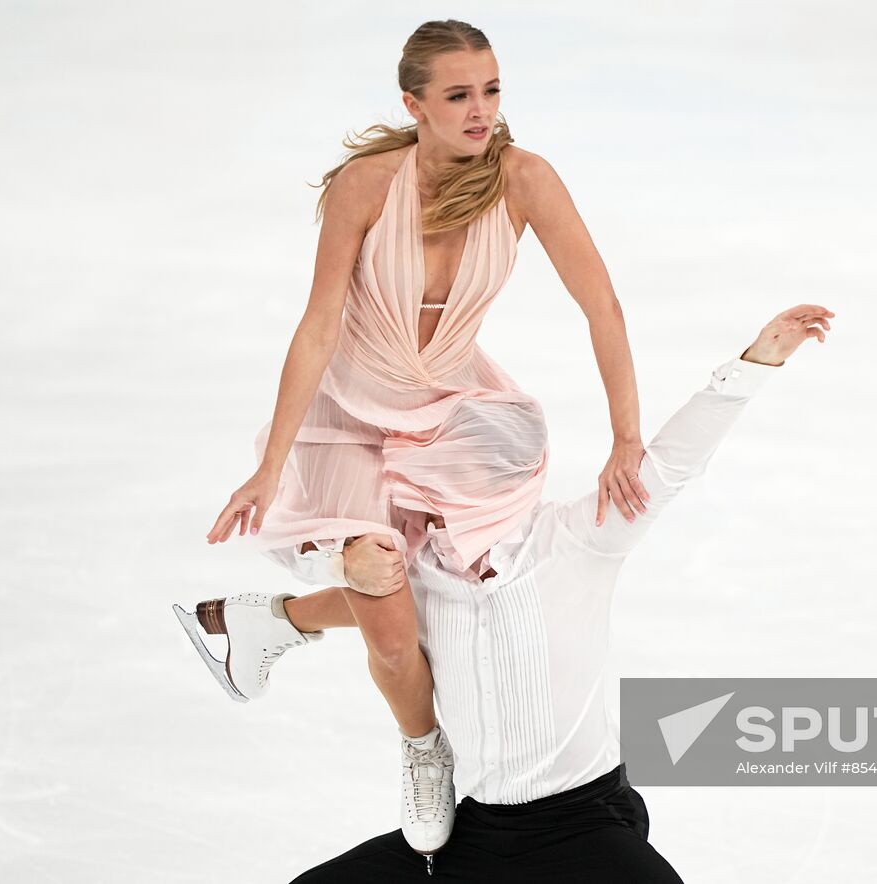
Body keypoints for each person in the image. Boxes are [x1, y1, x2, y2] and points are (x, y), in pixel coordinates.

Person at [174, 20, 650, 857]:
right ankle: (424, 745)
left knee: (461, 590)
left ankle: (274, 621)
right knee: (384, 589)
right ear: (414, 104)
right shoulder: (366, 186)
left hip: (455, 417)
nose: (481, 110)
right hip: (352, 421)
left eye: (492, 90)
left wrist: (626, 437)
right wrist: (270, 464)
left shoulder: (525, 181)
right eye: (460, 95)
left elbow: (601, 305)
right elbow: (320, 324)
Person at [201, 304, 832, 881]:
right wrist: (336, 561)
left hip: (582, 823)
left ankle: (272, 622)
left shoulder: (578, 541)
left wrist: (755, 363)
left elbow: (671, 465)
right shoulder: (409, 566)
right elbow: (318, 558)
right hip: (472, 832)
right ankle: (268, 623)